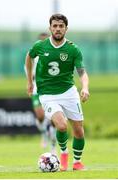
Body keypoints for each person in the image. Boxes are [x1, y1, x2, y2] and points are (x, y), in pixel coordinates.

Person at [25, 14, 89, 171]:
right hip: (47, 94)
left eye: (61, 26)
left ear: (66, 28)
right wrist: (29, 81)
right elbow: (29, 57)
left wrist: (85, 87)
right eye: (55, 26)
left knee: (79, 131)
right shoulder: (40, 46)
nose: (58, 29)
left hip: (69, 92)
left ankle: (77, 162)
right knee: (61, 125)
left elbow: (82, 72)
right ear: (50, 28)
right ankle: (64, 156)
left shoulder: (73, 49)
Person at [25, 32, 56, 153]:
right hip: (38, 90)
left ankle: (53, 147)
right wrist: (29, 84)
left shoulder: (52, 55)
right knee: (40, 116)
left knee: (54, 120)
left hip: (52, 90)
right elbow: (29, 75)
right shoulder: (32, 58)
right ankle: (44, 133)